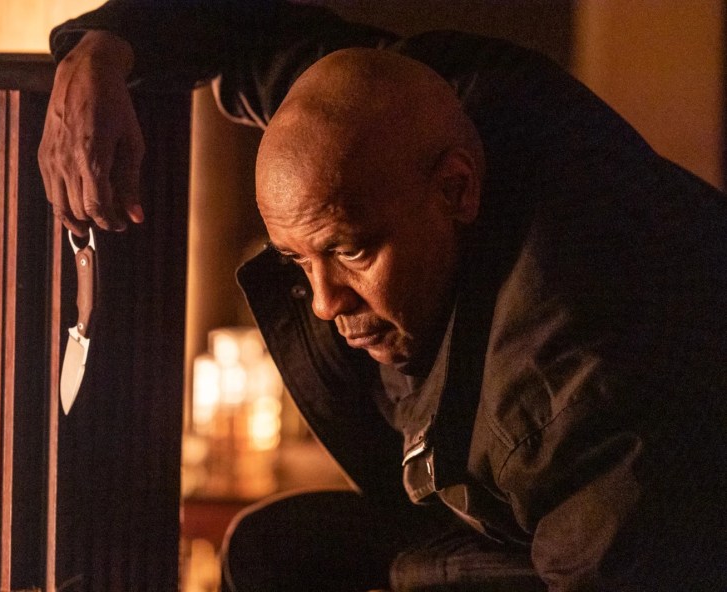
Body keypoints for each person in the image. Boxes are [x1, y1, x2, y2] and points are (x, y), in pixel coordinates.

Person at [39, 2, 727, 590]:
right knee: (273, 550)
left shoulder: (571, 394)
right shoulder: (396, 115)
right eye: (297, 260)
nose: (324, 303)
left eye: (352, 251)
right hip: (515, 509)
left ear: (457, 190)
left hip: (671, 531)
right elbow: (240, 22)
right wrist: (104, 48)